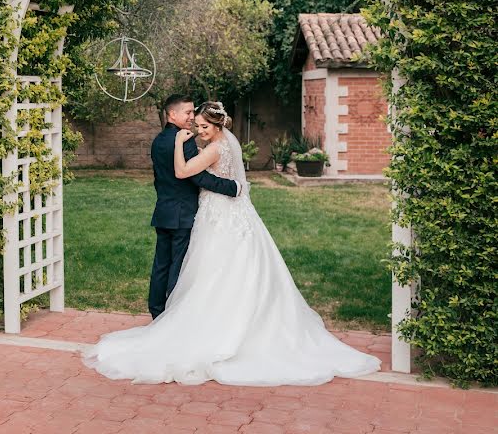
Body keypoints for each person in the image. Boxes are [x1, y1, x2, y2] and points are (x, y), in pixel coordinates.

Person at [83, 101, 380, 386]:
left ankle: (208, 326)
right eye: (195, 123)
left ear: (216, 124)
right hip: (234, 214)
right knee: (231, 268)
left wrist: (183, 149)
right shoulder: (229, 144)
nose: (198, 130)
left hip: (217, 215)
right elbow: (218, 178)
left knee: (212, 269)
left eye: (202, 125)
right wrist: (236, 186)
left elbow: (185, 172)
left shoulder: (208, 148)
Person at [147, 94, 240, 319]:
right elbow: (197, 178)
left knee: (161, 265)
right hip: (183, 214)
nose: (191, 117)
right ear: (172, 114)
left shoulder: (159, 139)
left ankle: (156, 311)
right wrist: (232, 187)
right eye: (188, 113)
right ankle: (172, 317)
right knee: (178, 267)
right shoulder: (185, 139)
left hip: (164, 211)